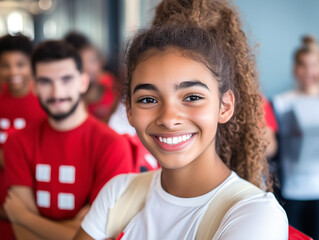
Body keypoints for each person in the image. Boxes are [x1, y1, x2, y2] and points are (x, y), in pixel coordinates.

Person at [74, 1, 288, 239]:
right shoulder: (118, 193)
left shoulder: (255, 215)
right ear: (129, 112)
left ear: (225, 106)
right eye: (148, 99)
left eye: (192, 97)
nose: (168, 118)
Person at [3, 40, 134, 240]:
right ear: (34, 86)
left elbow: (103, 234)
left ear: (83, 82)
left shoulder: (112, 145)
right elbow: (24, 236)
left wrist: (24, 217)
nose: (57, 93)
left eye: (66, 80)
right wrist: (76, 229)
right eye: (46, 82)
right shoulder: (17, 142)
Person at [0, 34, 46, 240]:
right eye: (5, 65)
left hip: (32, 199)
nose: (13, 72)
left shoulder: (43, 104)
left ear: (32, 66)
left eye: (20, 64)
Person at [273, 35, 319, 239]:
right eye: (303, 65)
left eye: (314, 65)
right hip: (292, 190)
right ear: (295, 68)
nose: (308, 71)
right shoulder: (282, 102)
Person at [64, 32, 117, 123]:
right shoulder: (72, 97)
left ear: (102, 62)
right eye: (82, 62)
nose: (87, 67)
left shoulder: (114, 90)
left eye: (92, 61)